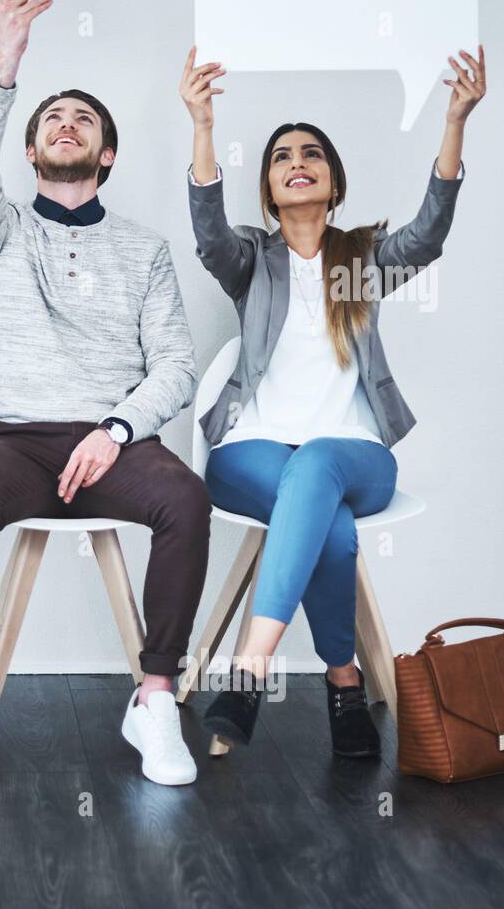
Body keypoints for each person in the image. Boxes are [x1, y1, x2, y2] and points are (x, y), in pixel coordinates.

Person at [0, 0, 210, 790]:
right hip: (15, 438)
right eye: (50, 118)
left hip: (114, 439)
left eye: (82, 119)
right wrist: (6, 62)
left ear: (107, 154)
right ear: (29, 149)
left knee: (185, 501)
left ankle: (155, 697)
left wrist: (116, 431)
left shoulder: (146, 249)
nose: (65, 124)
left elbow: (177, 365)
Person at [178, 42, 486, 756]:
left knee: (317, 464)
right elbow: (207, 234)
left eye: (310, 152)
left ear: (333, 182)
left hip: (356, 455)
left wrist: (454, 123)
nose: (295, 161)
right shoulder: (251, 261)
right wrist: (201, 126)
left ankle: (249, 668)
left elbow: (429, 234)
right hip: (250, 451)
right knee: (333, 529)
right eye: (281, 156)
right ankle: (345, 686)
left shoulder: (364, 260)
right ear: (269, 189)